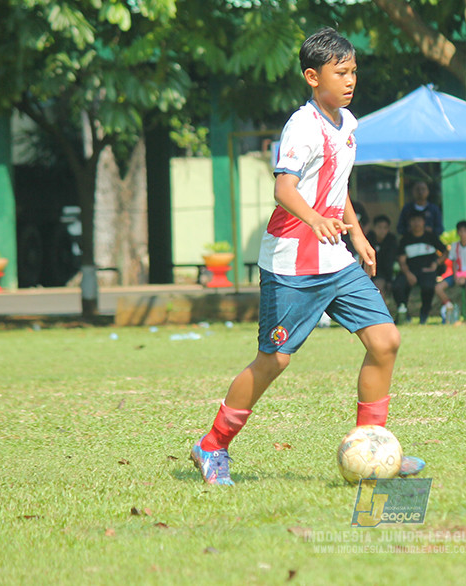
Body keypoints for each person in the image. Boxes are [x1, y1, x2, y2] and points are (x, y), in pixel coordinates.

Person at [189, 27, 424, 485]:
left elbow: (337, 186)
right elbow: (284, 189)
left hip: (335, 258)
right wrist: (316, 219)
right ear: (313, 78)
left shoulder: (348, 123)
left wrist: (357, 234)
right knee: (273, 361)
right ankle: (212, 445)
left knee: (385, 341)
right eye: (341, 73)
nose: (350, 80)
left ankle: (371, 446)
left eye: (353, 71)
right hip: (291, 262)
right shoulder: (302, 126)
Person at [393, 211, 447, 325]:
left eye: (419, 220)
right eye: (413, 220)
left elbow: (445, 251)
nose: (416, 223)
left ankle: (424, 314)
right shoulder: (405, 239)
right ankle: (404, 313)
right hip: (410, 270)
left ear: (424, 222)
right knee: (397, 286)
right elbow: (402, 261)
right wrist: (408, 274)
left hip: (427, 270)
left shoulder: (431, 236)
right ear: (409, 223)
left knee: (428, 287)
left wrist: (437, 263)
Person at [434, 220, 466, 322]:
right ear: (458, 232)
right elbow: (453, 262)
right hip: (457, 275)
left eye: (465, 231)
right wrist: (455, 276)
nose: (463, 234)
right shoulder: (455, 246)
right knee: (438, 288)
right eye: (460, 231)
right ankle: (449, 307)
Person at [365, 214, 397, 305]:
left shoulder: (391, 240)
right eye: (379, 227)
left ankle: (381, 309)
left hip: (384, 273)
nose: (382, 231)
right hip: (368, 271)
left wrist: (389, 280)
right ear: (374, 228)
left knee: (378, 287)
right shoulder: (368, 239)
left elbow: (390, 262)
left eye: (385, 228)